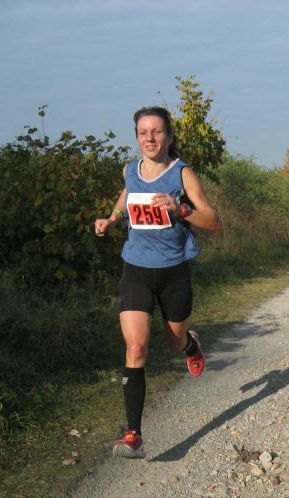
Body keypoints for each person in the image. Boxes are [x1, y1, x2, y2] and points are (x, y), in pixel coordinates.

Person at [94, 106, 221, 459]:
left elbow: (213, 221)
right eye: (143, 132)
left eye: (156, 131)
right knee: (135, 347)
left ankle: (190, 346)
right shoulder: (130, 170)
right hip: (135, 268)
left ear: (169, 136)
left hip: (173, 271)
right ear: (137, 137)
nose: (149, 138)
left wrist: (180, 210)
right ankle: (133, 435)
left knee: (174, 341)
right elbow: (127, 195)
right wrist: (112, 219)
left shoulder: (182, 174)